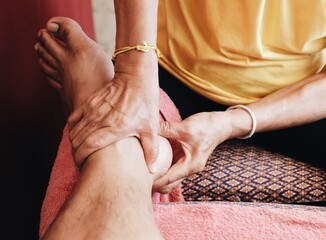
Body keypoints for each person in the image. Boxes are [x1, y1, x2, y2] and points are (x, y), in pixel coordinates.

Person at [35, 0, 326, 238]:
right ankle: (135, 142)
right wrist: (134, 70)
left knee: (121, 145)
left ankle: (95, 91)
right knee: (120, 135)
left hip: (293, 95)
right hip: (165, 72)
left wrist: (232, 122)